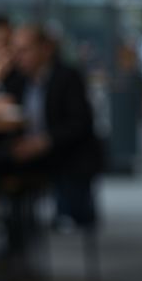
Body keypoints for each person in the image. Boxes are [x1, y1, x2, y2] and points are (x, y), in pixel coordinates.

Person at [10, 25, 103, 227]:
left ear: (45, 49)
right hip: (28, 151)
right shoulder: (17, 80)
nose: (17, 57)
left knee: (77, 216)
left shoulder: (67, 77)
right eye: (15, 50)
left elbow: (81, 123)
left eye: (24, 50)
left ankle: (73, 212)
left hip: (64, 150)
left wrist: (43, 142)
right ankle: (14, 232)